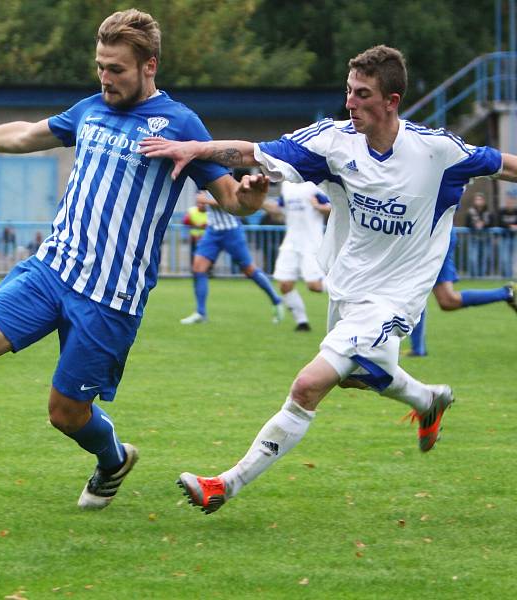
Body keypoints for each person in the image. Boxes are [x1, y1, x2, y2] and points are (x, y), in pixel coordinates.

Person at [0, 9, 268, 511]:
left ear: (149, 66)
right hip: (51, 270)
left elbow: (232, 199)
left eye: (117, 70)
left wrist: (254, 195)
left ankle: (112, 460)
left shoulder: (181, 124)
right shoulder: (90, 108)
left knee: (66, 413)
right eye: (101, 67)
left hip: (110, 295)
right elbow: (27, 134)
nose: (106, 79)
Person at [140, 44, 517, 514]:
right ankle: (428, 399)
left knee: (308, 386)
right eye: (349, 92)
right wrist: (199, 148)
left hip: (395, 298)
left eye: (362, 95)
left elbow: (504, 164)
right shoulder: (334, 142)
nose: (351, 103)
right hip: (348, 288)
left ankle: (225, 484)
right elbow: (255, 152)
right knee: (359, 376)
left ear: (391, 101)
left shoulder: (436, 150)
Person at [179, 183, 283, 325]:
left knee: (249, 270)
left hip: (232, 231)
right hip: (212, 231)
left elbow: (230, 203)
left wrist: (206, 201)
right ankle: (200, 313)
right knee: (198, 268)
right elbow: (203, 206)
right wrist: (202, 205)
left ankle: (276, 300)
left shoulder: (223, 178)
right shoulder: (202, 181)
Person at [408, 228, 516, 356]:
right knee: (447, 301)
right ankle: (507, 293)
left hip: (433, 235)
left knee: (415, 290)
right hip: (428, 234)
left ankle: (417, 349)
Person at [265, 180, 331, 331]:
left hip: (312, 243)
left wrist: (319, 207)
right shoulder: (287, 185)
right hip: (291, 242)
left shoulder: (315, 184)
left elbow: (332, 207)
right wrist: (259, 202)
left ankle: (346, 287)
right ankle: (302, 323)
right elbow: (279, 210)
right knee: (284, 285)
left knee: (314, 286)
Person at [465, 192, 497, 277]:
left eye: (480, 199)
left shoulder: (488, 212)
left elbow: (493, 223)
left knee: (485, 258)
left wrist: (484, 224)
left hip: (486, 239)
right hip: (474, 238)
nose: (478, 201)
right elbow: (467, 224)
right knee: (473, 258)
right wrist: (474, 225)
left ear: (484, 201)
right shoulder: (470, 212)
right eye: (476, 199)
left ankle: (482, 276)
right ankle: (474, 276)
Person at [182, 195, 208, 265]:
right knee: (194, 254)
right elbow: (185, 221)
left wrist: (203, 225)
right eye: (200, 203)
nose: (202, 205)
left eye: (203, 203)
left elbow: (211, 224)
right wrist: (196, 225)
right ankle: (194, 270)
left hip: (206, 238)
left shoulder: (210, 212)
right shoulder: (191, 210)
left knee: (206, 256)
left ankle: (208, 269)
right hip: (194, 238)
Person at [497, 193, 517, 278]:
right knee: (504, 258)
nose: (510, 203)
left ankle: (509, 275)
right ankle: (505, 275)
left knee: (511, 258)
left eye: (511, 202)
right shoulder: (502, 211)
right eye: (508, 201)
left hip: (513, 237)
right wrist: (509, 226)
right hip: (503, 237)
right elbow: (498, 222)